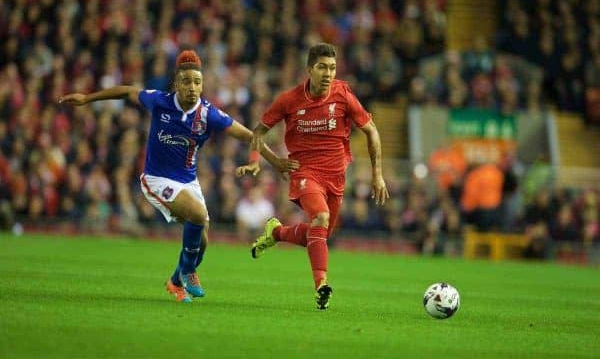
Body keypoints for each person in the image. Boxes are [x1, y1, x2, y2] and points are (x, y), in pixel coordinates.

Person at [59, 50, 299, 303]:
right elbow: (127, 91)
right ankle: (188, 271)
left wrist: (276, 163)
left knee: (203, 240)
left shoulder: (208, 114)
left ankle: (175, 282)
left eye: (197, 82)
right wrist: (87, 98)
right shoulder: (160, 101)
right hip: (156, 179)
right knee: (197, 215)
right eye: (186, 82)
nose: (192, 88)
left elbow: (251, 136)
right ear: (176, 84)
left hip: (188, 181)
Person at [241, 43, 389, 310]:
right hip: (305, 173)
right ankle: (322, 286)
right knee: (320, 217)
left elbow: (372, 131)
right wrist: (268, 162)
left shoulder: (343, 95)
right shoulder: (289, 100)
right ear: (309, 69)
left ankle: (276, 232)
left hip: (336, 177)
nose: (328, 73)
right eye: (322, 67)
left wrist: (377, 175)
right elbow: (257, 133)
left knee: (319, 233)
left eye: (332, 68)